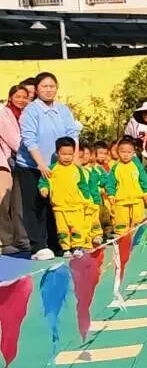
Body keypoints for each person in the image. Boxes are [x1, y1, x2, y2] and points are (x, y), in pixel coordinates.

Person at [17, 72, 81, 260]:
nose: (48, 90)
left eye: (52, 86)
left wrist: (75, 160)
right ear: (37, 90)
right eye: (44, 86)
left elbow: (72, 135)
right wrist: (40, 163)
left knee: (56, 204)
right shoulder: (31, 111)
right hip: (31, 166)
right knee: (35, 204)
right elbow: (29, 139)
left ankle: (57, 243)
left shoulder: (62, 110)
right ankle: (38, 246)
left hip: (57, 167)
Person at [38, 137, 90, 256]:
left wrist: (87, 198)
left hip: (77, 206)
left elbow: (83, 185)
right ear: (57, 154)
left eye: (70, 154)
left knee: (77, 228)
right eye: (64, 154)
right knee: (63, 230)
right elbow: (43, 181)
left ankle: (77, 247)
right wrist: (43, 188)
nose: (67, 157)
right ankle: (66, 248)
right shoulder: (52, 169)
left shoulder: (77, 169)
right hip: (59, 207)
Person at [0, 84, 30, 254]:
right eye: (18, 96)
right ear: (10, 97)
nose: (21, 100)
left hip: (21, 163)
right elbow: (14, 141)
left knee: (19, 203)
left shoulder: (25, 115)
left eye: (25, 97)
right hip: (6, 162)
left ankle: (21, 239)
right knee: (4, 202)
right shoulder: (4, 115)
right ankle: (5, 241)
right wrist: (35, 153)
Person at [104, 136, 147, 235]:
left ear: (133, 152)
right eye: (122, 152)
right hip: (121, 201)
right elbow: (110, 182)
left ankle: (138, 235)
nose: (126, 155)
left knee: (138, 220)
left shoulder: (137, 166)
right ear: (118, 152)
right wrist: (111, 194)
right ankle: (122, 236)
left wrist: (146, 192)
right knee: (121, 221)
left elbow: (144, 180)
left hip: (137, 199)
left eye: (129, 152)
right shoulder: (115, 167)